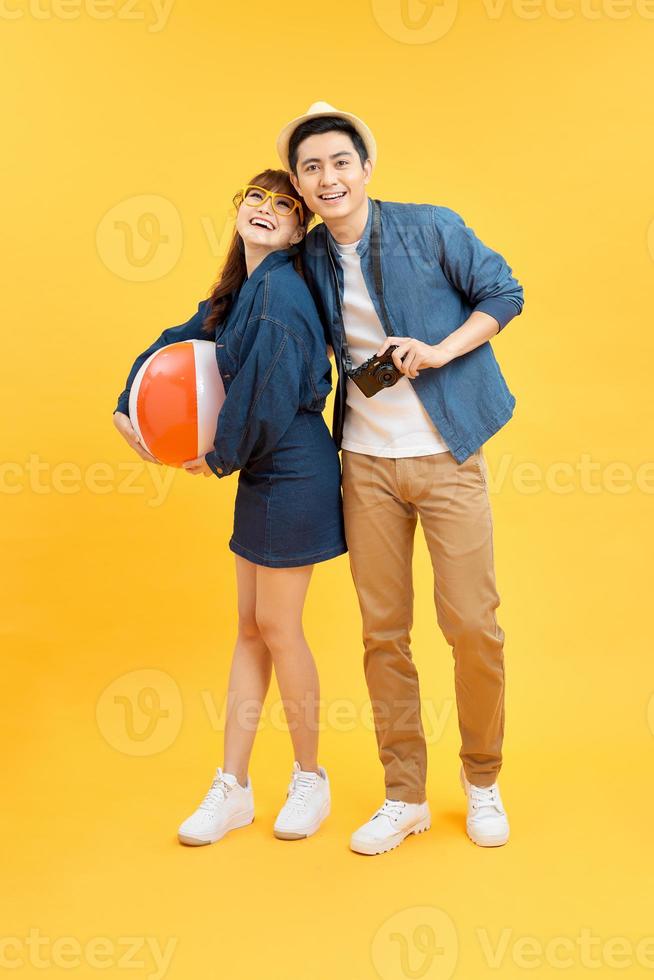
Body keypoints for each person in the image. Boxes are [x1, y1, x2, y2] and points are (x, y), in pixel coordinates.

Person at [276, 101, 525, 854]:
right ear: (298, 180)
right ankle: (404, 795)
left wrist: (443, 350)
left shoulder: (430, 226)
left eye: (339, 162)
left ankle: (483, 781)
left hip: (447, 456)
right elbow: (234, 313)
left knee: (472, 627)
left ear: (366, 166)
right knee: (384, 635)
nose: (328, 178)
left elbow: (505, 293)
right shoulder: (307, 258)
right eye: (311, 167)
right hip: (367, 471)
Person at [112, 169, 347, 846]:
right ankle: (234, 787)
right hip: (263, 468)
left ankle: (311, 779)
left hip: (293, 469)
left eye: (285, 205)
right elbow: (173, 340)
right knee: (250, 628)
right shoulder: (240, 289)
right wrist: (129, 403)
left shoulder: (281, 290)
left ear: (302, 229)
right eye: (257, 198)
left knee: (278, 627)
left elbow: (267, 394)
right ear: (238, 209)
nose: (268, 209)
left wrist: (215, 457)